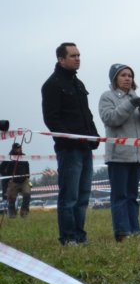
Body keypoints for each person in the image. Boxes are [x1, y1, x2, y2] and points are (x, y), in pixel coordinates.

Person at [41, 42, 100, 245]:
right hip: (69, 150)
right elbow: (51, 119)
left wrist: (94, 136)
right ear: (61, 59)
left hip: (85, 147)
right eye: (73, 55)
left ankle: (80, 235)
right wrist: (70, 138)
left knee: (83, 196)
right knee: (70, 196)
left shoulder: (78, 84)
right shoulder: (52, 85)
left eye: (79, 55)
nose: (77, 59)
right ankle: (68, 237)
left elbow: (87, 114)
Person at [99, 64, 140, 240]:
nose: (127, 78)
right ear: (114, 78)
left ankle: (134, 228)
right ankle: (122, 231)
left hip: (137, 155)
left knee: (132, 195)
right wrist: (130, 105)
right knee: (120, 195)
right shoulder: (107, 97)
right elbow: (110, 119)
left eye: (130, 75)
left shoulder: (136, 97)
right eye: (123, 75)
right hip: (118, 156)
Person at [1, 143, 31, 217]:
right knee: (11, 199)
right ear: (14, 149)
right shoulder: (9, 157)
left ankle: (24, 212)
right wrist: (7, 176)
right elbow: (1, 169)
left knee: (27, 194)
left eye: (20, 148)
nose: (20, 149)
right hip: (13, 182)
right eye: (18, 148)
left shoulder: (24, 157)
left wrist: (28, 176)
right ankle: (12, 214)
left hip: (24, 181)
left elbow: (27, 167)